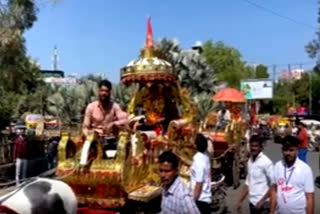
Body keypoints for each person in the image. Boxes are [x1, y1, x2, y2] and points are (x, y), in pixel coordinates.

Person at [270, 135, 314, 214]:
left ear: (297, 150)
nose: (288, 153)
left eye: (291, 150)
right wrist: (271, 211)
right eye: (285, 150)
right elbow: (274, 191)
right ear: (281, 150)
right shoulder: (277, 166)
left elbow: (310, 198)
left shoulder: (305, 169)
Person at [236, 135, 274, 214]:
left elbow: (274, 185)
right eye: (251, 146)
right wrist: (240, 201)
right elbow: (248, 183)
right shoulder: (250, 161)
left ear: (261, 147)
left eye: (256, 146)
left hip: (264, 205)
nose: (253, 148)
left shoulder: (266, 162)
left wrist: (262, 201)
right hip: (252, 203)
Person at [190, 134, 211, 214]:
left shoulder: (198, 159)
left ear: (195, 145)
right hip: (204, 199)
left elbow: (199, 182)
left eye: (192, 140)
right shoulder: (205, 156)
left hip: (200, 200)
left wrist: (193, 200)